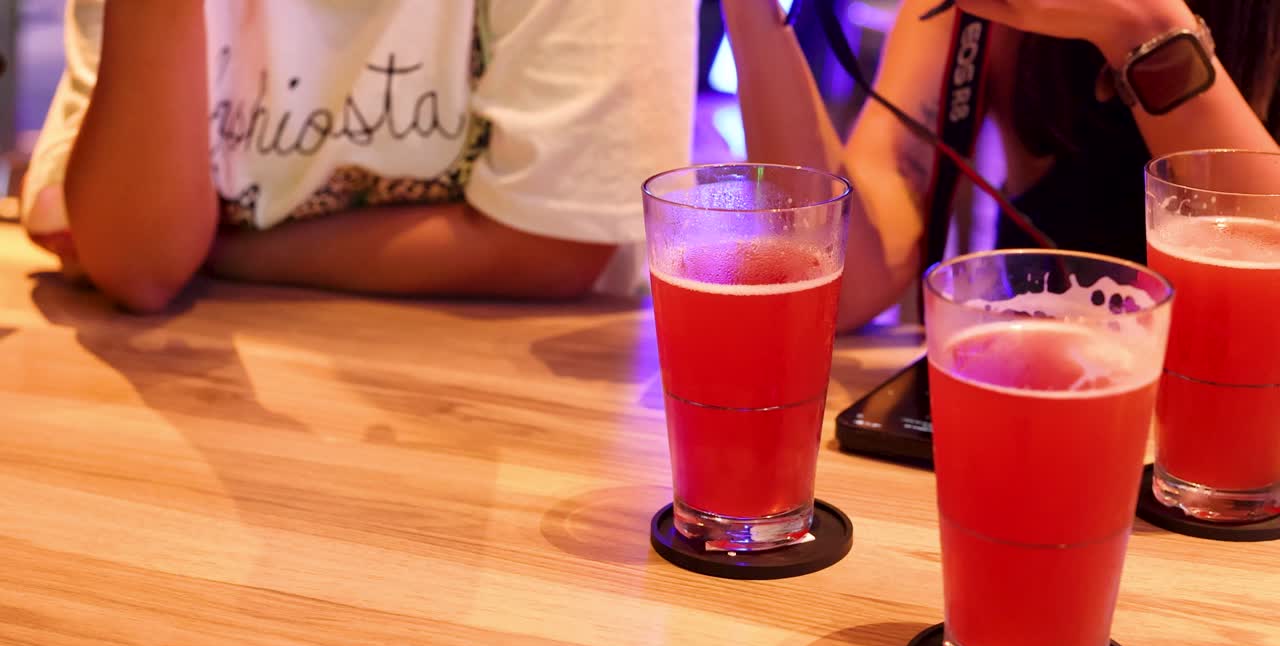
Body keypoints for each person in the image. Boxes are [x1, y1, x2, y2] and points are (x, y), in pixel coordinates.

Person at [21, 1, 697, 312]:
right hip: (223, 414)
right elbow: (138, 264)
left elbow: (549, 248)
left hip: (523, 408)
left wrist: (221, 250)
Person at [723, 0, 1280, 331]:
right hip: (1045, 407)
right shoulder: (985, 18)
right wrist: (749, 12)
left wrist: (1144, 28)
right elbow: (847, 285)